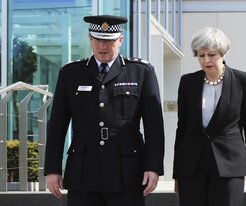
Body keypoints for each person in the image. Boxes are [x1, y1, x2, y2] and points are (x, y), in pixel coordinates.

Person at [44, 15, 165, 206]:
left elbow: (154, 126)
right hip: (83, 172)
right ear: (90, 39)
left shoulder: (141, 72)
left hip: (127, 173)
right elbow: (58, 125)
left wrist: (153, 167)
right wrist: (52, 168)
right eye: (98, 40)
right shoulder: (71, 73)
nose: (103, 46)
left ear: (120, 40)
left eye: (109, 41)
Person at [172, 27, 246, 206]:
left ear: (224, 53)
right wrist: (178, 174)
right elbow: (182, 130)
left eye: (211, 54)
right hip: (192, 169)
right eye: (200, 55)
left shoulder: (242, 81)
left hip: (229, 168)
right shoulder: (187, 82)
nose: (206, 60)